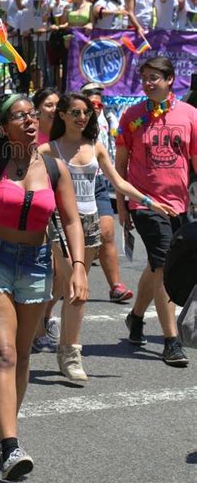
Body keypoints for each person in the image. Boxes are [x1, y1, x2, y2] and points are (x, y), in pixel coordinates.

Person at [0, 47, 88, 482]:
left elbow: (69, 219)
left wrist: (80, 266)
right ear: (5, 125)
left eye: (35, 113)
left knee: (25, 355)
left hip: (35, 263)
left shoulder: (55, 166)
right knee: (5, 352)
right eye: (20, 114)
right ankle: (12, 446)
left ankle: (5, 433)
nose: (30, 119)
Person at [39, 93, 175, 381]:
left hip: (89, 224)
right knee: (77, 287)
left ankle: (42, 321)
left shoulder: (95, 146)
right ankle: (70, 352)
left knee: (67, 286)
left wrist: (149, 202)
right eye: (75, 111)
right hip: (62, 225)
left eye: (86, 112)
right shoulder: (48, 150)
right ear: (62, 115)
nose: (82, 117)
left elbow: (119, 181)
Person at [115, 56, 197, 367]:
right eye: (145, 77)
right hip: (144, 203)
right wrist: (122, 206)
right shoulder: (132, 115)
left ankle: (135, 317)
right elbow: (119, 166)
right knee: (165, 265)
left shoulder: (190, 115)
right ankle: (171, 340)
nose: (149, 83)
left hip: (178, 204)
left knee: (156, 265)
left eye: (155, 77)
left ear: (170, 79)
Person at [81, 83, 133, 302]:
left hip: (99, 183)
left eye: (99, 103)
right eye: (91, 104)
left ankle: (116, 286)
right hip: (74, 184)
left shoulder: (106, 120)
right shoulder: (72, 125)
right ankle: (74, 281)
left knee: (106, 233)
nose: (96, 107)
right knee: (77, 239)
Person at [31, 88, 61, 351]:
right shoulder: (30, 134)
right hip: (39, 207)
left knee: (66, 274)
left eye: (57, 104)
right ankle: (37, 328)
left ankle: (46, 313)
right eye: (48, 104)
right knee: (47, 268)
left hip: (65, 206)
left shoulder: (67, 133)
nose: (54, 108)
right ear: (37, 109)